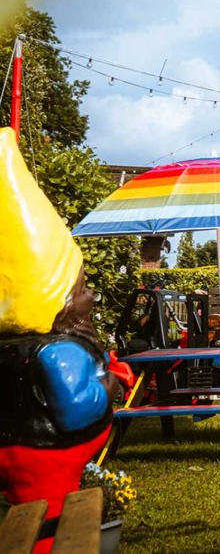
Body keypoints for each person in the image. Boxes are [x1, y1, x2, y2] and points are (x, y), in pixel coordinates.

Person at [0, 128, 121, 553]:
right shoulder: (59, 352)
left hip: (15, 445)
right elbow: (76, 408)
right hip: (45, 451)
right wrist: (109, 386)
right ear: (59, 301)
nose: (90, 297)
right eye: (82, 289)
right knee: (48, 518)